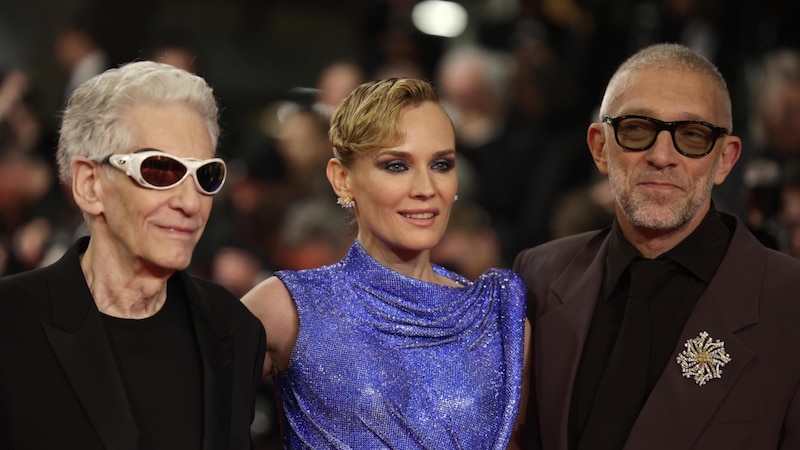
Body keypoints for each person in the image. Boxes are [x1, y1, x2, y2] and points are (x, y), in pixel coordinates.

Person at [513, 42, 800, 450]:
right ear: (599, 147)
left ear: (725, 160)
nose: (662, 156)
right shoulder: (538, 276)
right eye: (636, 129)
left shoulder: (789, 302)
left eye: (693, 135)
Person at [242, 78, 530, 449]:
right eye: (396, 165)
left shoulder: (499, 319)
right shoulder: (290, 306)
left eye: (441, 164)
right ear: (342, 179)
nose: (426, 188)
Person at [0, 60, 266, 449]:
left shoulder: (233, 329)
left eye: (206, 175)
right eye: (160, 170)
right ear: (90, 185)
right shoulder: (9, 324)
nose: (191, 203)